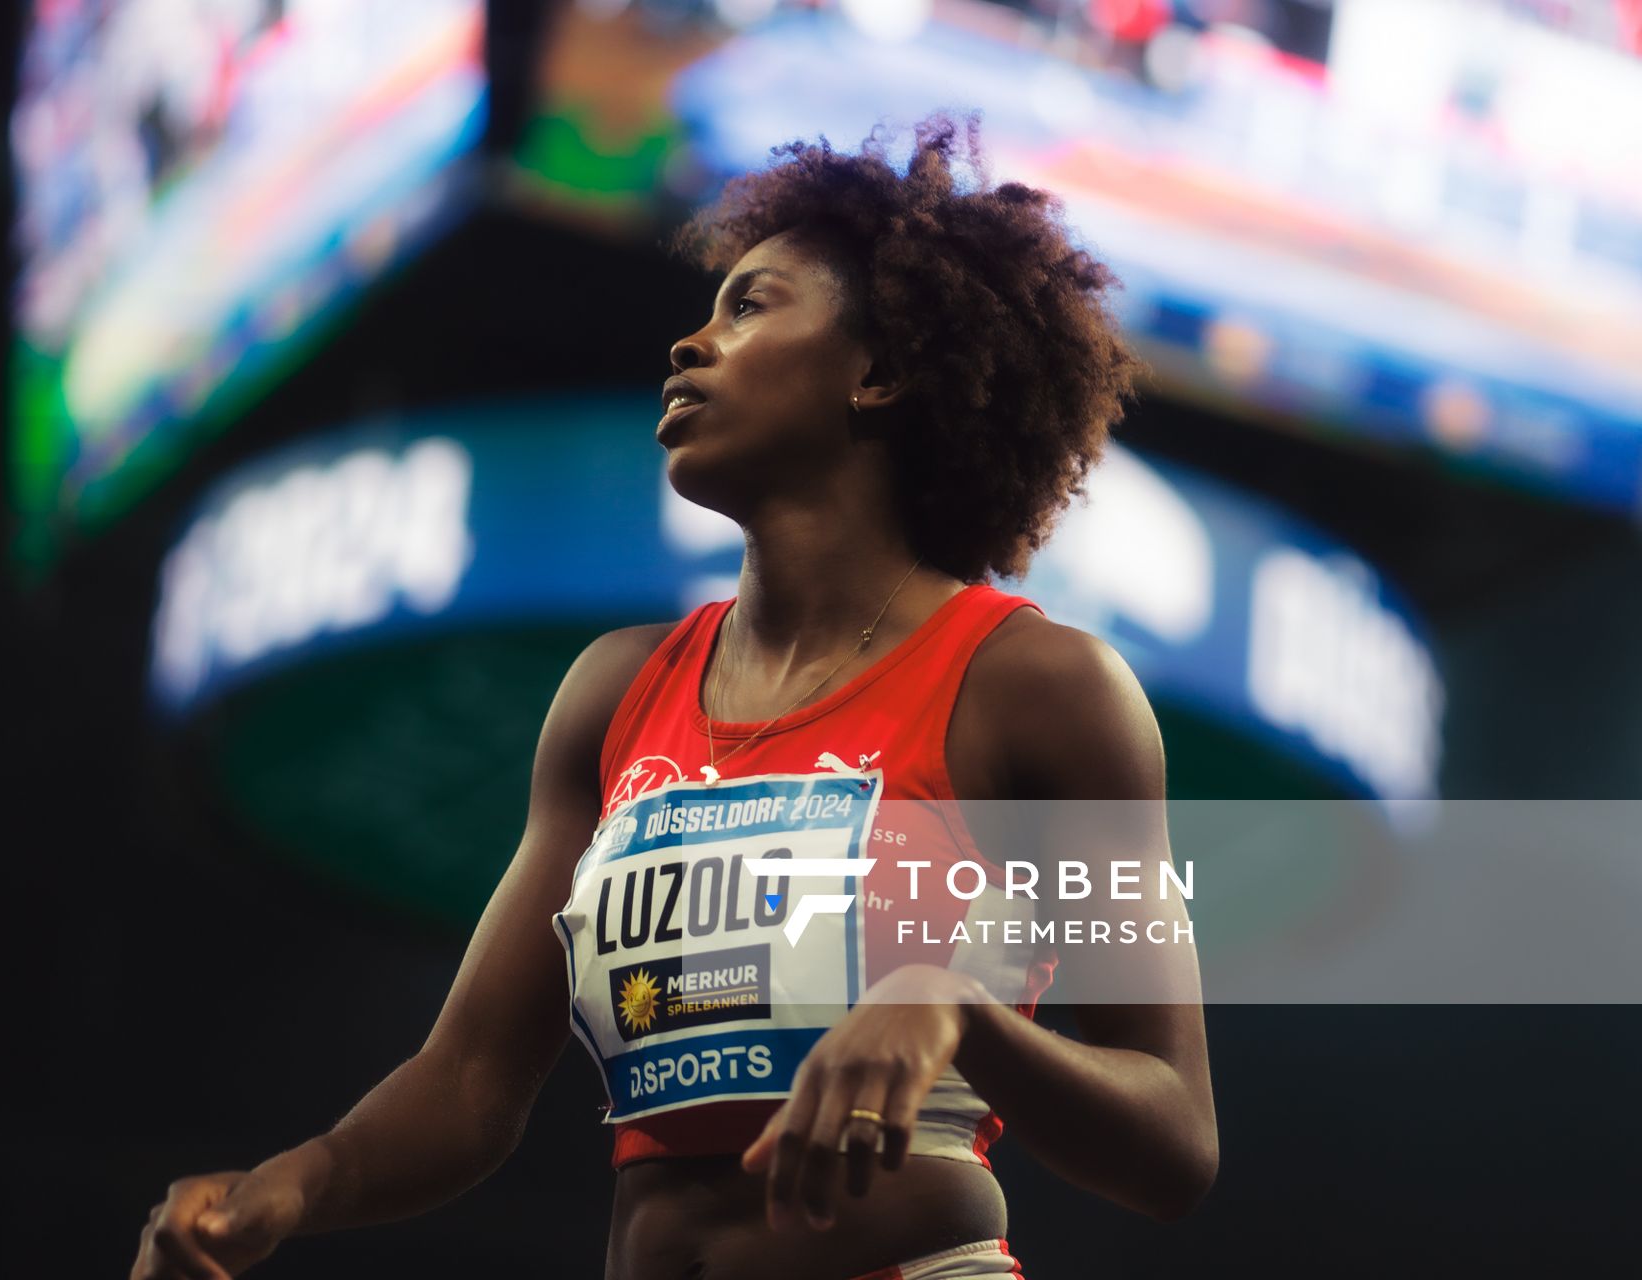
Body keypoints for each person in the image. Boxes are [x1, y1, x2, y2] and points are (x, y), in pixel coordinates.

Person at [129, 112, 1216, 1280]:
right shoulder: (615, 692)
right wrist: (286, 1187)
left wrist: (960, 1014)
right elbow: (471, 1079)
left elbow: (1172, 1136)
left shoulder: (1042, 690)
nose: (688, 344)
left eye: (750, 306)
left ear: (883, 370)